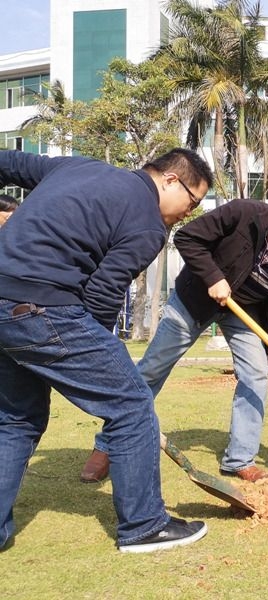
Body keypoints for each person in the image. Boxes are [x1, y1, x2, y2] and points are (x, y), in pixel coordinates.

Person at [0, 148, 213, 552]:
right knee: (131, 403)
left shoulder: (76, 166)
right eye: (192, 200)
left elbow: (5, 162)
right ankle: (145, 526)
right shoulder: (149, 222)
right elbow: (102, 294)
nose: (190, 211)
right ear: (170, 180)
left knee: (16, 419)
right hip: (43, 304)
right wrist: (93, 360)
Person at [79, 189, 268, 484]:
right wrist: (214, 277)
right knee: (151, 370)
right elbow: (187, 237)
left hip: (241, 313)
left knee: (257, 374)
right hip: (193, 302)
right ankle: (107, 445)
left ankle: (239, 460)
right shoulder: (243, 214)